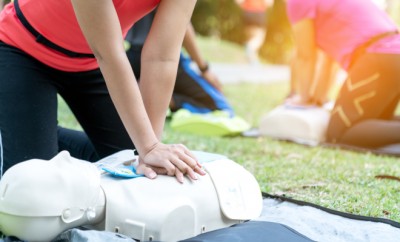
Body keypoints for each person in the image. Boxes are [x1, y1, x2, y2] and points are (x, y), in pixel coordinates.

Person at [0, 0, 206, 182]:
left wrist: (149, 150)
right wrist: (148, 146)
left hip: (90, 63)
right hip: (21, 49)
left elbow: (162, 57)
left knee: (130, 158)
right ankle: (13, 131)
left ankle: (26, 130)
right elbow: (108, 52)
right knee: (31, 182)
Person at [0, 150, 262, 241]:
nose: (64, 156)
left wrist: (148, 147)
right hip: (227, 185)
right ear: (68, 213)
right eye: (57, 173)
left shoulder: (94, 181)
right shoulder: (152, 215)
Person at [286, 0, 400, 150]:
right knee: (373, 120)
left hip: (378, 56)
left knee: (339, 134)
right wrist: (318, 98)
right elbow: (329, 61)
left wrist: (303, 98)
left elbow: (305, 55)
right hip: (392, 54)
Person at [126, 10, 234, 116]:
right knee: (223, 110)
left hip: (133, 56)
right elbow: (183, 24)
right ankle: (159, 100)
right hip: (164, 57)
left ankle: (152, 96)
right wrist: (204, 69)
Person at [235, 0, 274, 65]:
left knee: (251, 37)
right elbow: (269, 3)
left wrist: (244, 6)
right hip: (259, 13)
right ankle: (249, 47)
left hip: (247, 13)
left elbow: (238, 1)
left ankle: (253, 61)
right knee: (258, 39)